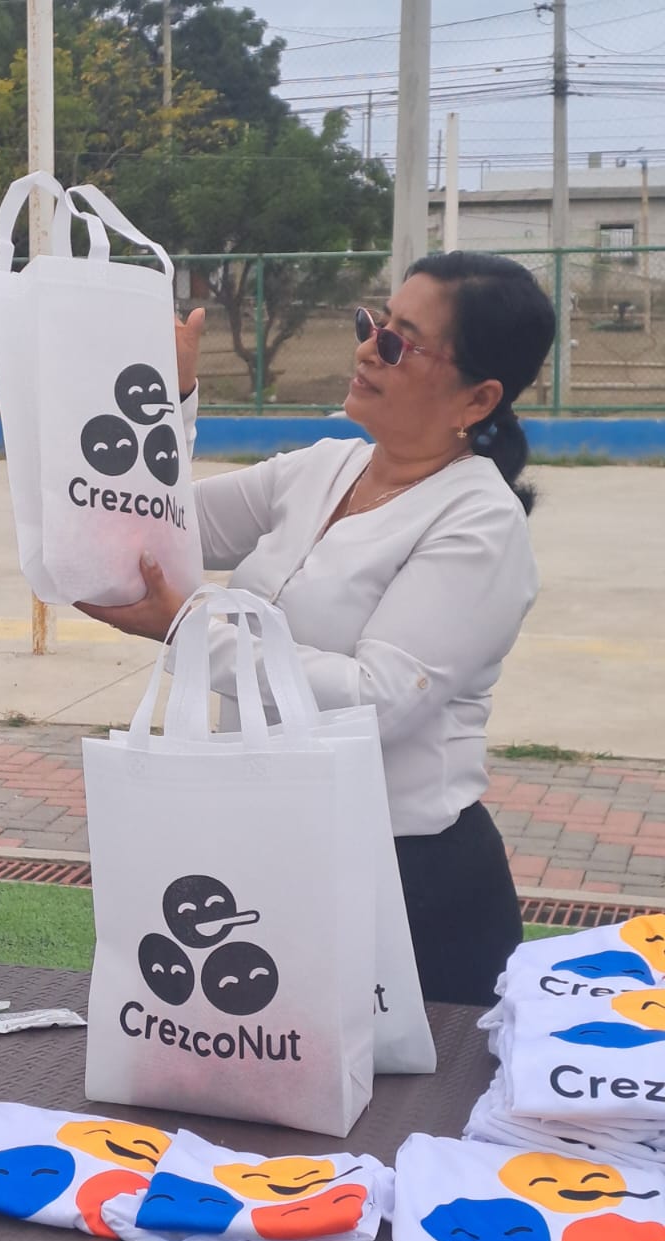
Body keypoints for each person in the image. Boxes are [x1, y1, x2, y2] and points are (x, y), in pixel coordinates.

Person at [80, 252, 557, 1006]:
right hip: (271, 849)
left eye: (399, 342)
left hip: (406, 883)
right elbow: (156, 531)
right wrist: (167, 405)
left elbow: (377, 700)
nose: (368, 349)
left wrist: (190, 626)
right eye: (372, 323)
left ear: (478, 397)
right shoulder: (324, 468)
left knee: (403, 1086)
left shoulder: (480, 522)